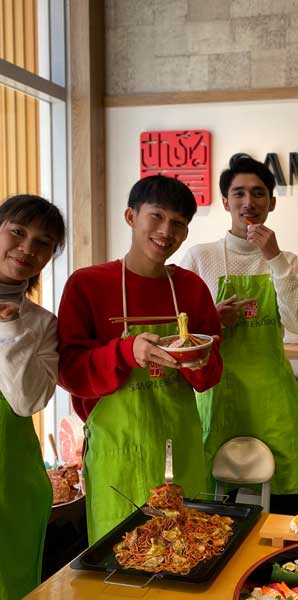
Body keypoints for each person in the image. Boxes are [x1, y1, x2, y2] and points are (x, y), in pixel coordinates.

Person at [58, 175, 223, 543]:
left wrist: (199, 364)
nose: (166, 231)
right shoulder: (87, 285)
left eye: (178, 224)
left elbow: (211, 374)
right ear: (131, 216)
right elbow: (69, 371)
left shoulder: (191, 289)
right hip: (118, 451)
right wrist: (124, 351)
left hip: (180, 444)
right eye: (157, 216)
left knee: (189, 548)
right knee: (122, 556)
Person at [180, 153, 298, 515]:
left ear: (271, 202)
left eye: (258, 193)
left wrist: (274, 258)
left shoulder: (286, 259)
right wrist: (212, 322)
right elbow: (179, 334)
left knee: (286, 506)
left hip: (273, 397)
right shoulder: (199, 258)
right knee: (211, 507)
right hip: (219, 394)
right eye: (238, 193)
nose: (248, 202)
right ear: (225, 202)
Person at [0, 195, 65, 600]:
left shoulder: (41, 324)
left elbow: (26, 402)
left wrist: (8, 331)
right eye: (18, 232)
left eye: (43, 243)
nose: (27, 249)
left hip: (11, 482)